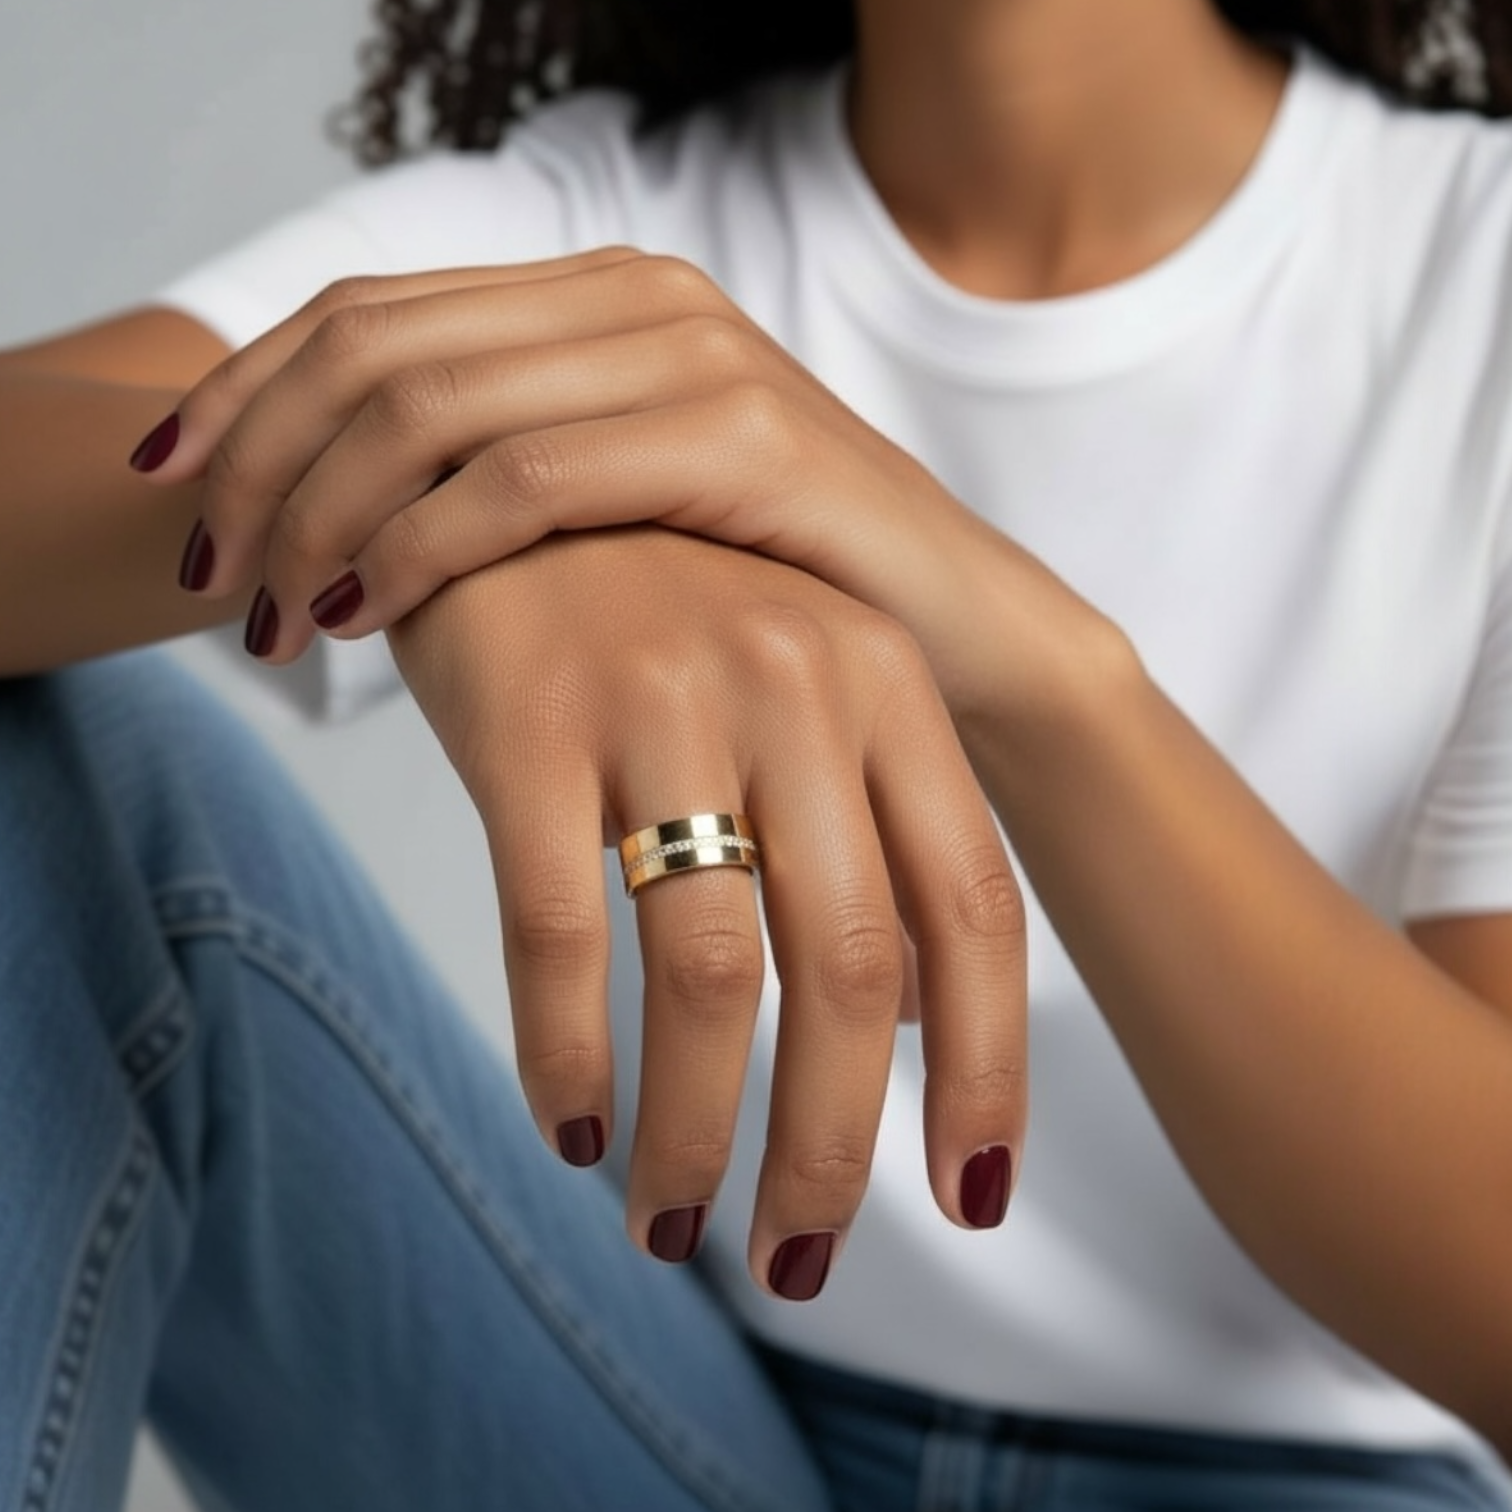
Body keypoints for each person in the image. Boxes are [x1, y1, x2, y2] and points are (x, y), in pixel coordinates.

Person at [3, 0, 1512, 1507]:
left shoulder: (1474, 264)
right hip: (678, 1424)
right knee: (53, 756)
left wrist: (1048, 682)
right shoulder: (608, 227)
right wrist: (456, 510)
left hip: (1307, 1482)